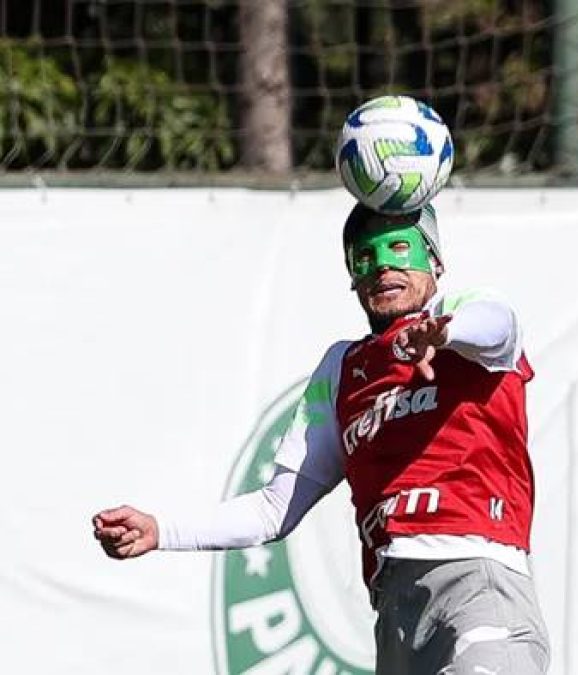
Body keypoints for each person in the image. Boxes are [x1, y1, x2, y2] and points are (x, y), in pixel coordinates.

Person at [92, 202, 550, 675]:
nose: (384, 266)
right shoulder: (342, 369)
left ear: (434, 261)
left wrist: (444, 332)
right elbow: (273, 509)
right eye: (365, 257)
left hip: (477, 583)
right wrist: (160, 530)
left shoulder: (464, 319)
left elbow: (499, 324)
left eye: (399, 248)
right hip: (395, 612)